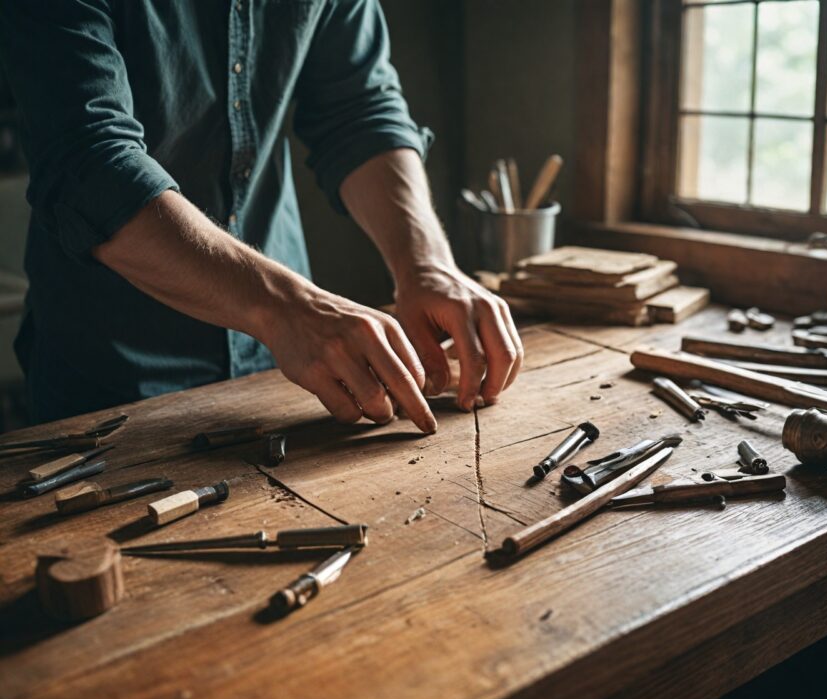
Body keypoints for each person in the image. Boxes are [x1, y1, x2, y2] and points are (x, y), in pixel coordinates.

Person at [0, 0, 523, 430]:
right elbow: (93, 166)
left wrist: (425, 264)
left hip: (289, 368)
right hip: (110, 376)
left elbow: (359, 111)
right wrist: (288, 309)